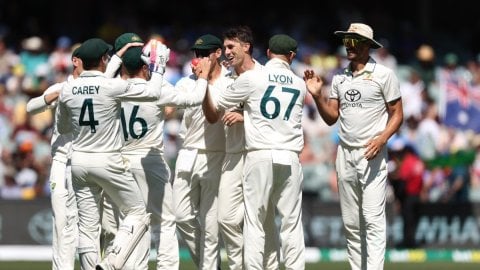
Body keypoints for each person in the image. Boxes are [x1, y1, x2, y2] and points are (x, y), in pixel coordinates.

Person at [56, 37, 169, 270]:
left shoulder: (67, 89)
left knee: (87, 226)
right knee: (138, 213)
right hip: (108, 160)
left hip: (78, 162)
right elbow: (153, 92)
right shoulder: (111, 86)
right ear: (103, 60)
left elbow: (64, 127)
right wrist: (158, 69)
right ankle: (110, 263)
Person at [108, 32, 211, 269]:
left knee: (132, 222)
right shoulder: (155, 88)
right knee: (164, 221)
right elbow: (193, 99)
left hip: (119, 161)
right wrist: (203, 78)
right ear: (144, 66)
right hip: (149, 159)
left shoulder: (110, 88)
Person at [304, 23, 403, 270]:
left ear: (368, 45)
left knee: (372, 218)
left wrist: (382, 139)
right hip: (345, 154)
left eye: (354, 40)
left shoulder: (384, 75)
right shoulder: (339, 77)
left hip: (372, 152)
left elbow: (397, 115)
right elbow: (331, 117)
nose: (348, 45)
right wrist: (317, 96)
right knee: (351, 222)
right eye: (347, 40)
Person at [203, 33, 306, 270]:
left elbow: (216, 107)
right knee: (291, 223)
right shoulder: (300, 84)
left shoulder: (253, 78)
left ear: (268, 53)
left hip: (259, 153)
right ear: (292, 56)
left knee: (254, 222)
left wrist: (203, 82)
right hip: (290, 155)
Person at [172, 34, 227, 270]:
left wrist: (204, 82)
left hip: (216, 154)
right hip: (187, 153)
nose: (200, 59)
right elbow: (168, 110)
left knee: (210, 225)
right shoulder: (186, 83)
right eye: (197, 54)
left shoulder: (230, 82)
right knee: (181, 216)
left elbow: (215, 118)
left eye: (205, 54)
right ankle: (208, 264)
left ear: (217, 54)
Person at [26, 43, 82, 270]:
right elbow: (31, 107)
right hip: (62, 161)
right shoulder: (62, 87)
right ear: (76, 61)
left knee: (91, 225)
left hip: (88, 162)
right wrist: (56, 95)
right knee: (61, 223)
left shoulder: (103, 86)